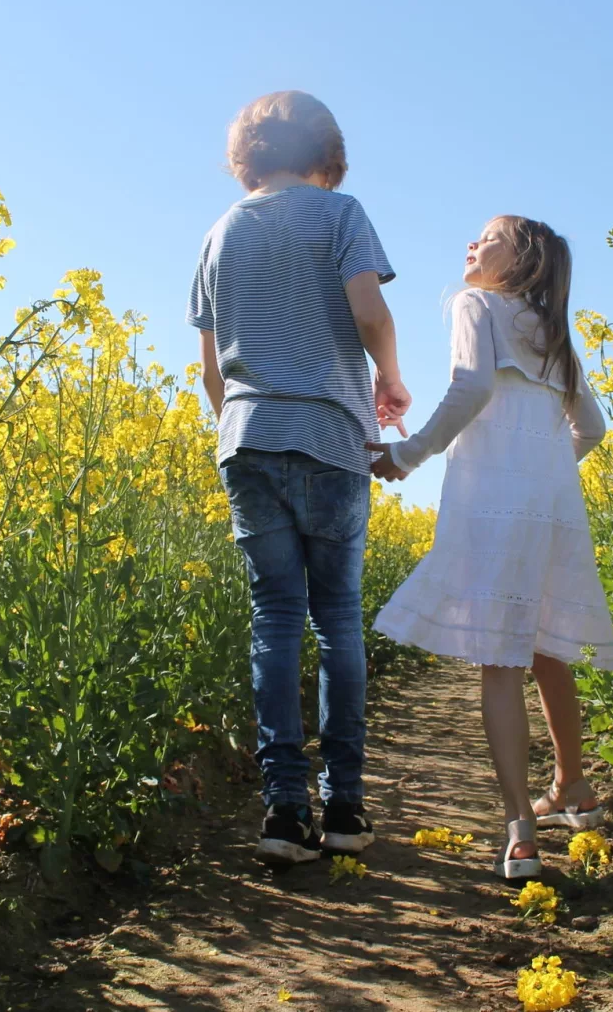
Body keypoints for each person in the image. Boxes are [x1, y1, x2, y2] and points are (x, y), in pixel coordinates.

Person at [188, 90, 410, 865]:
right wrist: (390, 376)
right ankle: (344, 806)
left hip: (247, 438)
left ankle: (283, 811)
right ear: (325, 154)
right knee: (337, 618)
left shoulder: (218, 233)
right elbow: (369, 310)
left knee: (275, 620)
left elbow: (212, 369)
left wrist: (240, 424)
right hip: (328, 435)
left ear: (248, 153)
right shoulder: (339, 213)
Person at [369, 216, 613, 879]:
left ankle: (521, 832)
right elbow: (590, 426)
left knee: (499, 663)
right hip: (550, 504)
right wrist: (545, 472)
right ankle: (573, 788)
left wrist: (410, 453)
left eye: (488, 237)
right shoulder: (553, 332)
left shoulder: (475, 303)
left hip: (492, 504)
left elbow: (473, 387)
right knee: (546, 649)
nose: (471, 245)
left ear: (524, 256)